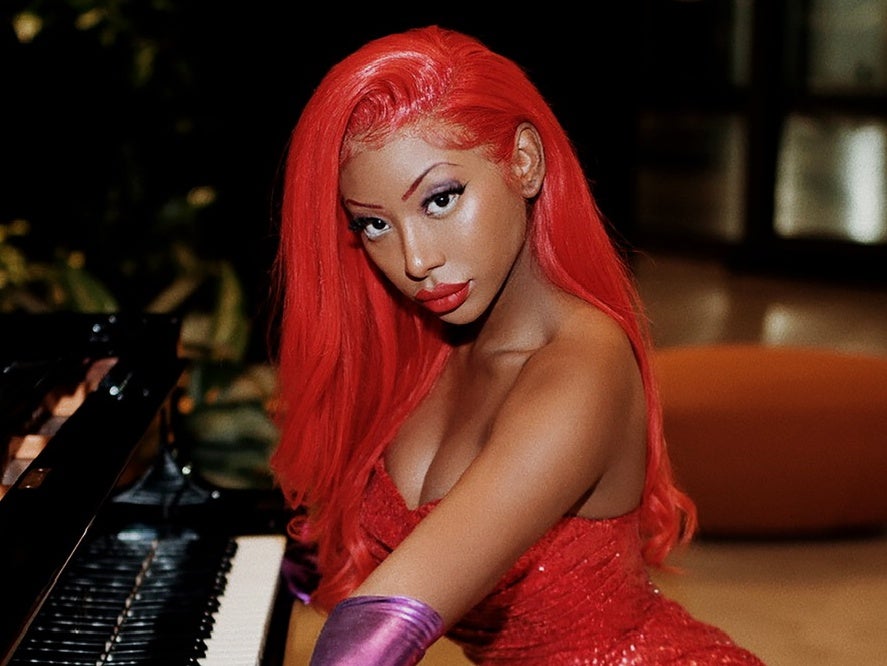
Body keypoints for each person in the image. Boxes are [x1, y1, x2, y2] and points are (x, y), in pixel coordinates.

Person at [269, 25, 765, 665]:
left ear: (524, 162)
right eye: (373, 223)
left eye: (441, 200)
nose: (416, 260)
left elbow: (370, 640)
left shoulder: (583, 368)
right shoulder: (424, 351)